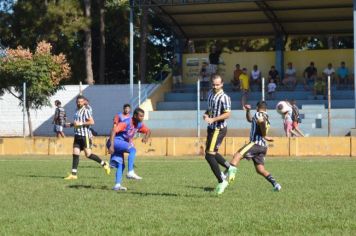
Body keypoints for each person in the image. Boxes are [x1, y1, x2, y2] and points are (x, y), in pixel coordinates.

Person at [226, 101, 281, 192]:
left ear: (257, 107)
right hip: (263, 147)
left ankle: (227, 177)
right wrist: (248, 111)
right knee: (260, 170)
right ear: (266, 108)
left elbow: (261, 122)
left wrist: (264, 135)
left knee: (237, 155)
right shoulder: (266, 116)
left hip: (255, 143)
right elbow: (250, 120)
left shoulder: (259, 114)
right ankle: (276, 184)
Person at [64, 95, 111, 180]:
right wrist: (70, 125)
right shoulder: (76, 111)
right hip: (77, 135)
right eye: (78, 102)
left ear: (84, 102)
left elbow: (92, 122)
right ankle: (74, 174)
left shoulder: (86, 111)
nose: (79, 103)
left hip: (84, 136)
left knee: (88, 154)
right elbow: (77, 123)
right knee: (75, 153)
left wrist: (80, 123)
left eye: (81, 102)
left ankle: (104, 164)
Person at [107, 107, 151, 191]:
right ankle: (130, 171)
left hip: (120, 143)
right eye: (140, 116)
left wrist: (146, 137)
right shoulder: (126, 122)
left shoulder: (139, 124)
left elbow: (148, 131)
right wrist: (111, 146)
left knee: (121, 165)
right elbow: (113, 131)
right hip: (115, 141)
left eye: (143, 116)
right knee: (132, 150)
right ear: (135, 115)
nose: (142, 118)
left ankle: (117, 185)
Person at [203, 74, 231, 195]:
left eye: (218, 84)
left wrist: (213, 120)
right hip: (211, 128)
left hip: (218, 129)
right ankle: (230, 168)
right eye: (214, 84)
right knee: (211, 153)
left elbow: (227, 114)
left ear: (222, 84)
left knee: (209, 156)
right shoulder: (210, 93)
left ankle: (221, 180)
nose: (215, 86)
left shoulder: (224, 97)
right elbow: (210, 109)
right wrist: (206, 114)